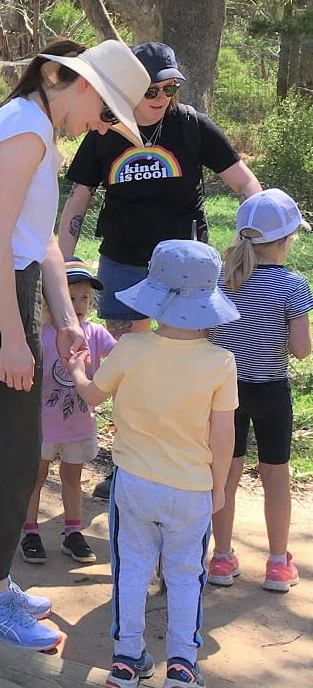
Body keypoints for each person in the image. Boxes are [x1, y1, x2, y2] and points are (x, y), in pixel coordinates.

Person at [0, 38, 149, 651]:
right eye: (107, 112)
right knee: (13, 451)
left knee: (18, 442)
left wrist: (62, 318)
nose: (104, 126)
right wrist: (13, 335)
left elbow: (47, 244)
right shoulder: (28, 126)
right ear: (82, 85)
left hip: (7, 292)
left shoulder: (37, 129)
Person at [57, 42, 261, 500]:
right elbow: (77, 201)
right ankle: (128, 463)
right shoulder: (104, 132)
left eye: (170, 87)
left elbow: (246, 184)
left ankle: (187, 460)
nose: (162, 97)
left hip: (185, 277)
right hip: (123, 265)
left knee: (185, 367)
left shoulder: (191, 127)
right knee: (126, 367)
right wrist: (66, 263)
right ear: (130, 90)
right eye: (152, 89)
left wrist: (252, 241)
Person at [66, 239, 238, 688]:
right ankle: (182, 662)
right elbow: (224, 437)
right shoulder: (221, 362)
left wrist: (78, 368)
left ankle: (126, 658)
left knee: (132, 567)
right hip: (192, 487)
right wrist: (219, 488)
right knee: (186, 574)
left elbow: (92, 396)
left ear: (155, 298)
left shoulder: (132, 347)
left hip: (134, 483)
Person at [206, 189, 312, 593]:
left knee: (224, 475)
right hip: (270, 391)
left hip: (224, 393)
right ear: (286, 241)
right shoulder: (293, 285)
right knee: (276, 476)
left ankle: (221, 557)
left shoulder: (221, 277)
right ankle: (277, 564)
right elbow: (302, 351)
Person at [21, 259, 115, 566]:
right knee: (36, 477)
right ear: (52, 300)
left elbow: (120, 358)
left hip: (79, 424)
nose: (78, 305)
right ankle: (30, 532)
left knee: (73, 478)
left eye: (85, 298)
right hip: (41, 426)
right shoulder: (41, 335)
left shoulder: (97, 334)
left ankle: (72, 532)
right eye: (71, 297)